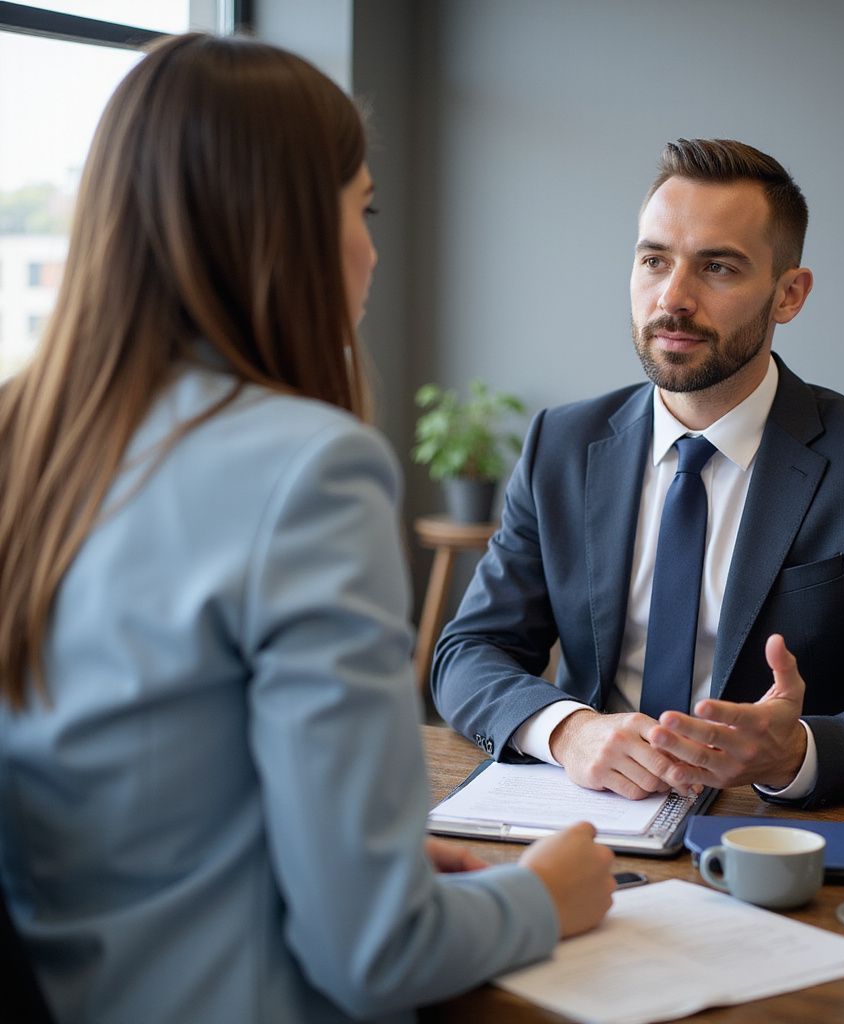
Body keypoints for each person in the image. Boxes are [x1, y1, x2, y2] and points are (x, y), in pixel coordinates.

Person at [0, 33, 615, 1024]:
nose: (372, 245)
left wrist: (336, 852)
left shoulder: (24, 441)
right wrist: (541, 896)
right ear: (282, 226)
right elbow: (375, 952)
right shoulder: (308, 470)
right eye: (362, 206)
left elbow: (122, 788)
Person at [432, 138, 844, 809]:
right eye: (653, 261)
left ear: (789, 295)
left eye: (718, 267)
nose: (673, 298)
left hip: (774, 837)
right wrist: (568, 731)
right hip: (591, 818)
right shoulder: (562, 445)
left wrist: (796, 753)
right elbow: (468, 652)